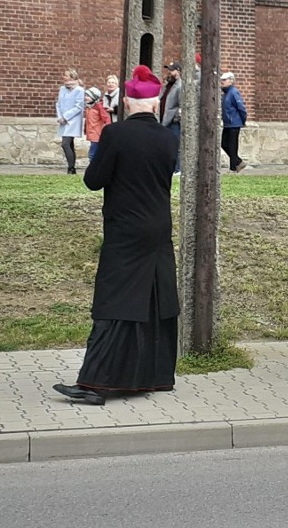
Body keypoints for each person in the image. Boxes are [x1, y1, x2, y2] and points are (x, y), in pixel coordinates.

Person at [53, 65, 180, 406]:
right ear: (155, 104)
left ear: (126, 103)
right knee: (155, 299)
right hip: (158, 227)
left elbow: (93, 180)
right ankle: (153, 376)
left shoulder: (115, 135)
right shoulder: (168, 139)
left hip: (126, 229)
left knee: (115, 300)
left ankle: (95, 384)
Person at [56, 68, 85, 174]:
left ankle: (70, 167)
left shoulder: (79, 90)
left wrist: (66, 117)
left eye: (66, 75)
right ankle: (72, 167)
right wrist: (60, 117)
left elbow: (78, 107)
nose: (63, 77)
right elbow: (58, 104)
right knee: (69, 143)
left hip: (73, 121)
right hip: (63, 120)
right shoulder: (62, 89)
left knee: (65, 143)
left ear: (72, 77)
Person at [221, 71, 248, 173]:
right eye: (221, 80)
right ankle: (238, 162)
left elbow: (241, 108)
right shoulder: (226, 93)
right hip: (227, 123)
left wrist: (243, 120)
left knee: (232, 146)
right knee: (224, 144)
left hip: (234, 123)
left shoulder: (233, 92)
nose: (222, 82)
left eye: (224, 80)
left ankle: (233, 168)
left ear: (231, 81)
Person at [161, 62, 182, 174]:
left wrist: (176, 118)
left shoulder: (179, 86)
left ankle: (178, 168)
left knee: (176, 144)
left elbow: (181, 105)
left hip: (173, 122)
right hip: (165, 120)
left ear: (178, 71)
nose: (169, 73)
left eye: (172, 70)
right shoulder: (168, 86)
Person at [84, 86, 111, 161]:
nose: (86, 97)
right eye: (86, 95)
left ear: (94, 97)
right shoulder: (89, 107)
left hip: (97, 134)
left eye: (88, 96)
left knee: (92, 154)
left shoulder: (99, 107)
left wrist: (108, 131)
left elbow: (106, 119)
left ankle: (93, 170)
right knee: (94, 153)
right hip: (92, 133)